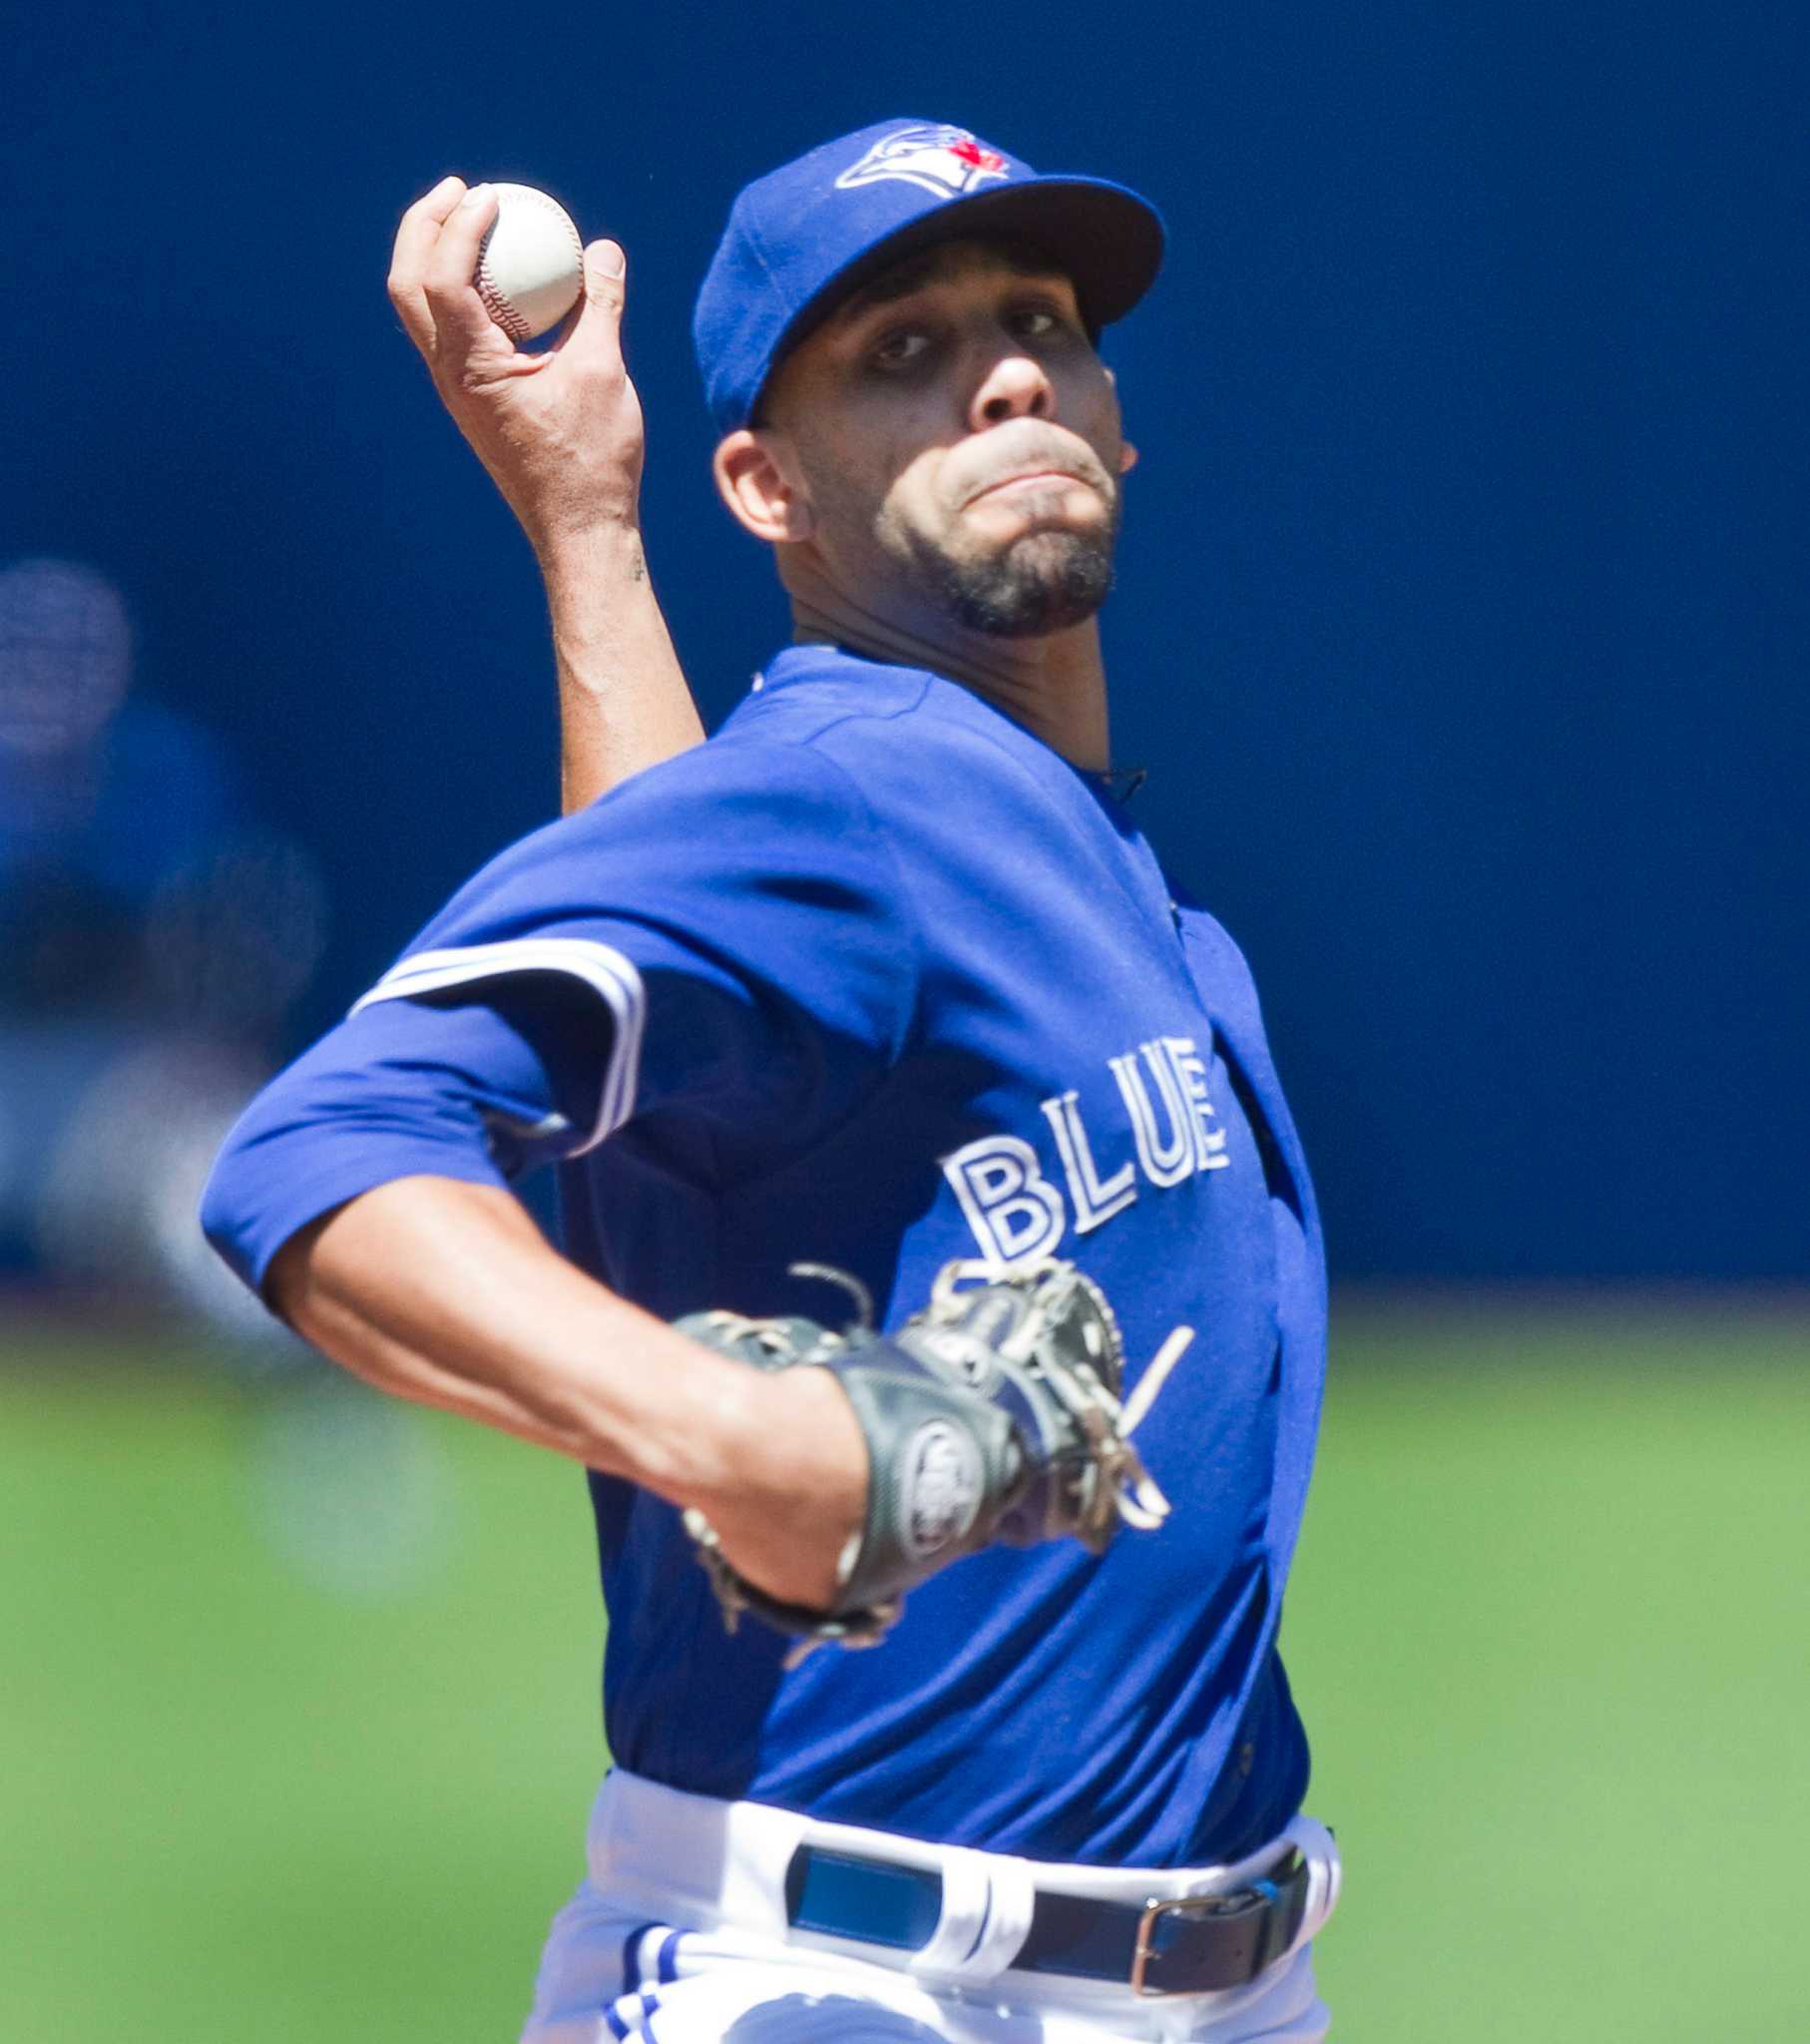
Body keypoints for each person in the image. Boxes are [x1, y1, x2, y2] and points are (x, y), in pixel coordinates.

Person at [200, 120, 1340, 2043]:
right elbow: (315, 1147)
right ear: (769, 485)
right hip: (844, 1988)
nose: (1004, 372)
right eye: (902, 351)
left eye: (1042, 324)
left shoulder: (1037, 858)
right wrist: (739, 1443)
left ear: (1117, 420)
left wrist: (583, 526)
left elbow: (681, 1049)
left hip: (1220, 1992)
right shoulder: (859, 795)